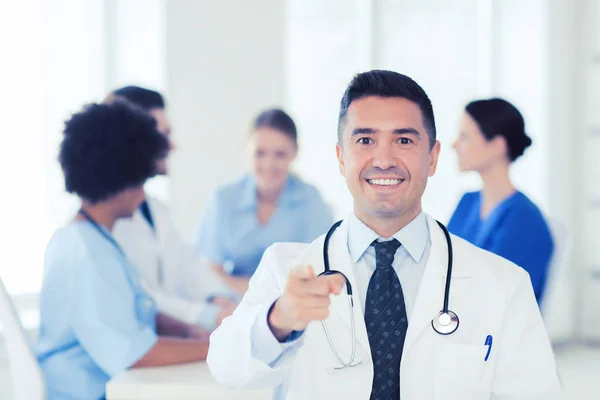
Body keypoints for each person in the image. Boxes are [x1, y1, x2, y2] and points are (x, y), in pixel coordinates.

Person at [206, 70, 562, 399]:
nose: (384, 159)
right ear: (341, 158)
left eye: (404, 140)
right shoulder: (285, 268)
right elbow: (226, 369)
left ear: (433, 157)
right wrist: (279, 319)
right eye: (364, 140)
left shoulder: (504, 284)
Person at [36, 101, 211, 400]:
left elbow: (133, 315)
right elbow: (135, 353)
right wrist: (217, 348)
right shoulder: (88, 254)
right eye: (142, 180)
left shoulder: (88, 240)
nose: (144, 192)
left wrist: (187, 331)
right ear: (121, 181)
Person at [108, 86, 235, 331]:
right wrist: (211, 315)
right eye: (163, 134)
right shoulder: (106, 221)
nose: (172, 145)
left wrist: (220, 299)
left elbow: (188, 266)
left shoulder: (157, 209)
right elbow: (140, 298)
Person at [194, 108, 333, 295]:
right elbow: (208, 272)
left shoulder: (311, 200)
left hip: (294, 307)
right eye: (260, 153)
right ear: (246, 148)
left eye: (280, 154)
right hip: (234, 306)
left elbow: (320, 270)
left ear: (295, 153)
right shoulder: (223, 199)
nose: (269, 164)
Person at [448, 98, 554, 303]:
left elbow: (496, 296)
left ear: (497, 146)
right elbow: (440, 264)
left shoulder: (524, 219)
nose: (454, 145)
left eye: (465, 137)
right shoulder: (468, 203)